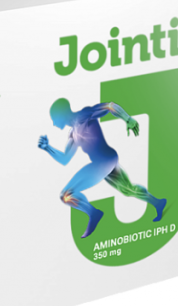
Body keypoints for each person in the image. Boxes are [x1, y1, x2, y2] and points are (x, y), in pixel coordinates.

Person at [39, 98, 166, 238]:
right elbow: (65, 159)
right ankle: (158, 203)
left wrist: (128, 119)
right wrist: (47, 147)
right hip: (108, 161)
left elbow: (110, 106)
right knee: (128, 189)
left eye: (54, 119)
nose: (54, 123)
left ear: (61, 114)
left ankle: (94, 213)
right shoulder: (72, 133)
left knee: (66, 194)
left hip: (102, 164)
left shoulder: (84, 115)